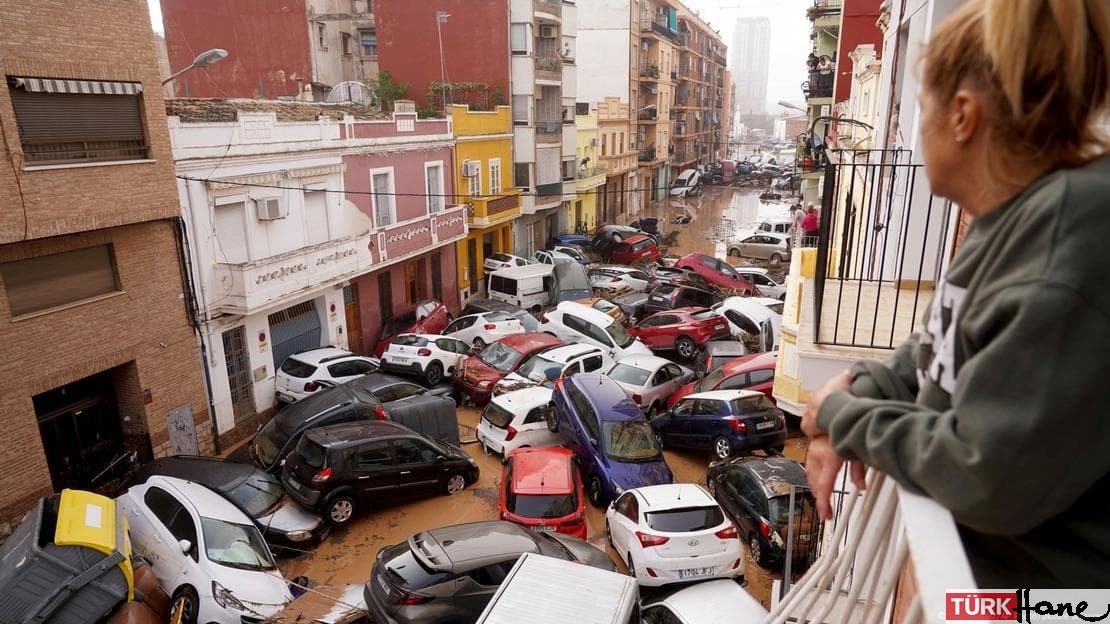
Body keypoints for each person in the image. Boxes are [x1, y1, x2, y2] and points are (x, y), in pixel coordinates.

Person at [801, 0, 1110, 587]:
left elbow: (987, 476)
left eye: (922, 109)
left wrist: (843, 416)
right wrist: (860, 389)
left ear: (963, 115)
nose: (917, 128)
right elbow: (935, 347)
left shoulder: (1066, 242)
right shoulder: (1009, 218)